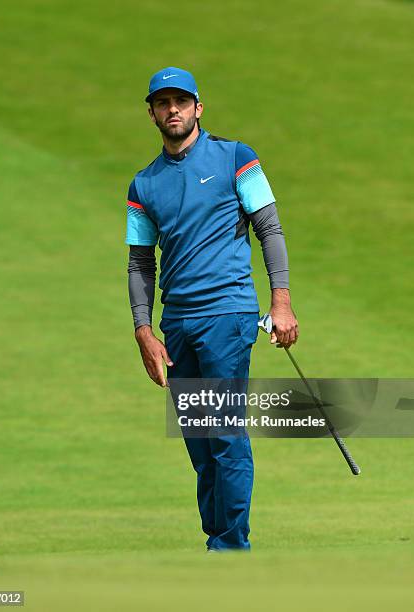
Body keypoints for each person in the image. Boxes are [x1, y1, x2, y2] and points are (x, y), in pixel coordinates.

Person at [126, 67, 299, 551]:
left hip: (227, 313)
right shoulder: (143, 184)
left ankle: (230, 548)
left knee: (223, 434)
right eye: (163, 103)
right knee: (200, 446)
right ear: (153, 113)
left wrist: (280, 302)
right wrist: (144, 329)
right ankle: (219, 540)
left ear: (198, 107)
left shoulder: (236, 157)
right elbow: (140, 263)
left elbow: (270, 229)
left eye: (182, 101)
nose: (173, 109)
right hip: (176, 324)